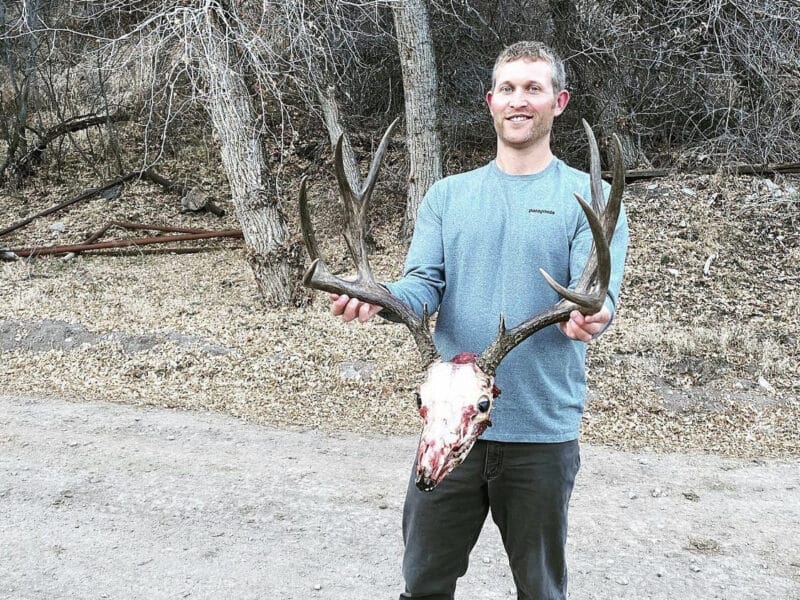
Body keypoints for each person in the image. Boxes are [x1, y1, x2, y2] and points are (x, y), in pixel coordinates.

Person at [330, 41, 629, 600]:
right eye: (509, 89)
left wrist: (594, 315)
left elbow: (598, 296)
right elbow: (423, 284)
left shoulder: (591, 197)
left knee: (540, 589)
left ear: (558, 102)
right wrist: (382, 298)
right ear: (491, 101)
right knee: (423, 582)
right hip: (448, 427)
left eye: (534, 88)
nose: (520, 100)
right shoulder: (448, 196)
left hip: (541, 431)